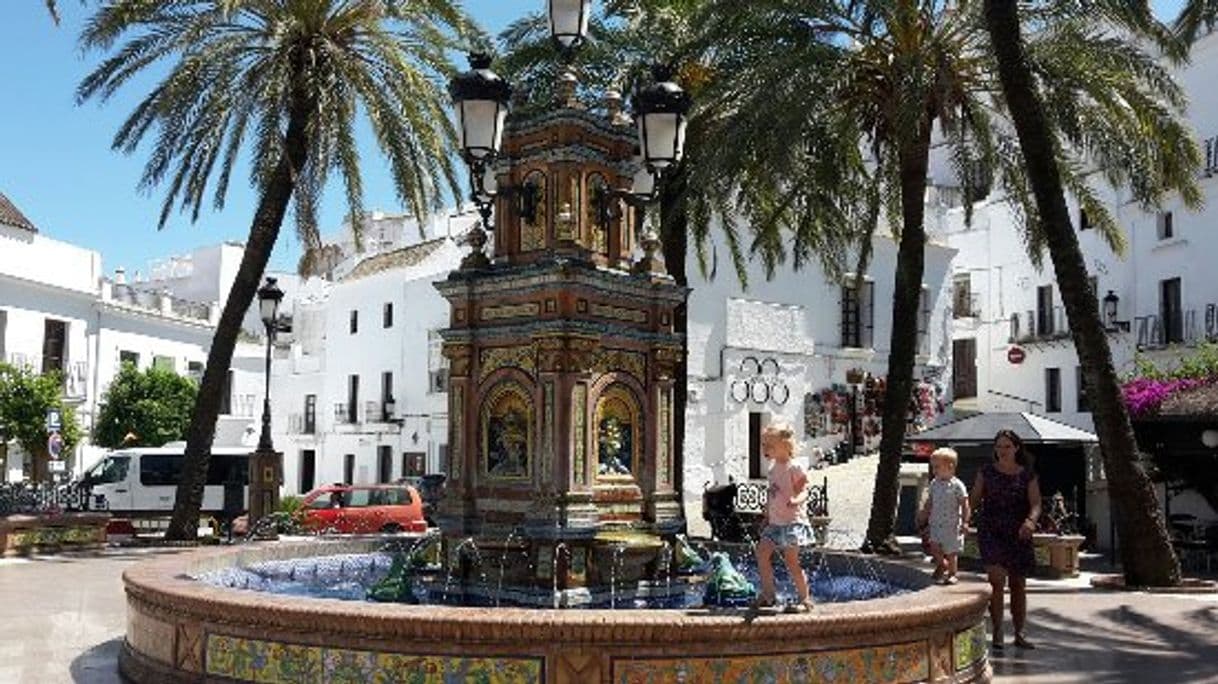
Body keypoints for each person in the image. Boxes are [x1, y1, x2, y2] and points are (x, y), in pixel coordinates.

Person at [972, 429, 1042, 652]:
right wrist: (962, 521)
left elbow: (1036, 503)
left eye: (1007, 446)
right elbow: (973, 500)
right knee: (996, 580)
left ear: (1016, 448)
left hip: (1018, 532)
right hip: (991, 531)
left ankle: (1020, 632)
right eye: (999, 446)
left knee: (1018, 584)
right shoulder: (986, 472)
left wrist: (1031, 521)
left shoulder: (1027, 474)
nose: (1002, 451)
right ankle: (998, 630)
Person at [751, 421, 814, 613]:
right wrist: (767, 512)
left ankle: (805, 599)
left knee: (791, 561)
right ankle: (769, 594)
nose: (765, 448)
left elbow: (806, 490)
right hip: (775, 523)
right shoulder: (772, 469)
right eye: (764, 444)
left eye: (770, 445)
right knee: (762, 553)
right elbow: (773, 493)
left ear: (785, 446)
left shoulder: (794, 467)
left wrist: (797, 499)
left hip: (792, 523)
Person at [918, 447, 970, 585]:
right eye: (933, 467)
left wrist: (965, 522)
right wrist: (924, 513)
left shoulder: (957, 485)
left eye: (937, 467)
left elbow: (965, 504)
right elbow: (930, 501)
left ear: (950, 467)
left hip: (952, 525)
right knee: (934, 547)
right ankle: (942, 564)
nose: (934, 471)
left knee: (951, 551)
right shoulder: (934, 483)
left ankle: (952, 573)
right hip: (936, 523)